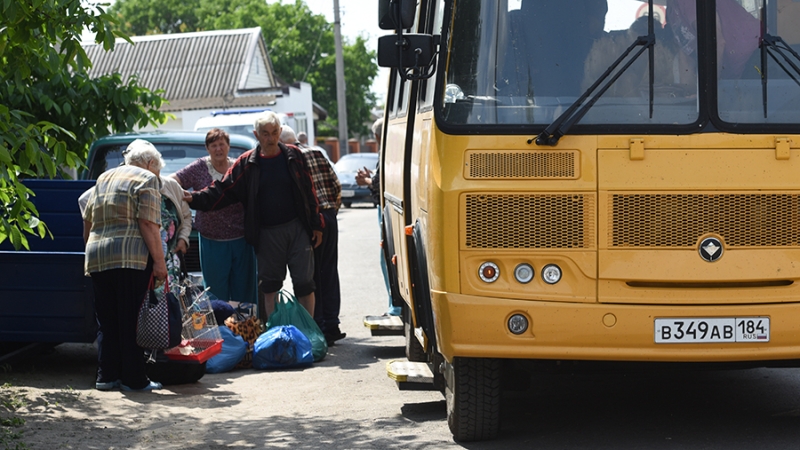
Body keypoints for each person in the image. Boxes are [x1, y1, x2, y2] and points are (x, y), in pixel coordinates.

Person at [184, 112, 323, 321]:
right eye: (265, 134)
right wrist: (194, 198)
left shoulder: (294, 156)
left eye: (275, 132)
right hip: (267, 233)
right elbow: (223, 189)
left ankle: (309, 331)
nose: (271, 138)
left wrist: (317, 224)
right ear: (257, 134)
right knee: (270, 286)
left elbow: (309, 191)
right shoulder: (247, 163)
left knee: (305, 283)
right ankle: (274, 332)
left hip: (297, 229)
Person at [82, 139, 166, 392]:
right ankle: (135, 379)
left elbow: (87, 219)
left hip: (98, 255)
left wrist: (92, 247)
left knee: (107, 320)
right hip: (131, 258)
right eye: (158, 171)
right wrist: (160, 263)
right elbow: (148, 224)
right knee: (132, 319)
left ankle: (106, 376)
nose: (157, 176)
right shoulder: (147, 179)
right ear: (150, 163)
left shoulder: (104, 178)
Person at [172, 129, 258, 306]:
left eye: (222, 144)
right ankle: (221, 331)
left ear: (228, 146)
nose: (218, 149)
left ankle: (246, 329)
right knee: (216, 292)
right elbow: (173, 181)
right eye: (214, 145)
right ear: (207, 148)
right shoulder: (199, 168)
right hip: (212, 242)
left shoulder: (238, 168)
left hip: (241, 240)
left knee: (244, 291)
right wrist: (181, 198)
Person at [280, 126, 345, 345]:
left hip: (309, 220)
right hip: (328, 216)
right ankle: (332, 324)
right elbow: (336, 186)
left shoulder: (289, 158)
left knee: (311, 274)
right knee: (329, 271)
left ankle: (317, 326)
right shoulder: (317, 152)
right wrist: (331, 213)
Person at [356, 118, 402, 317]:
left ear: (376, 136)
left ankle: (395, 305)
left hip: (385, 209)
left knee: (387, 256)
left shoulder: (386, 150)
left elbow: (378, 182)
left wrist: (365, 179)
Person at [666, 0, 760, 79]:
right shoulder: (672, 8)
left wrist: (705, 90)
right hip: (737, 69)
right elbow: (686, 55)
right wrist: (687, 94)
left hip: (757, 55)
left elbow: (716, 42)